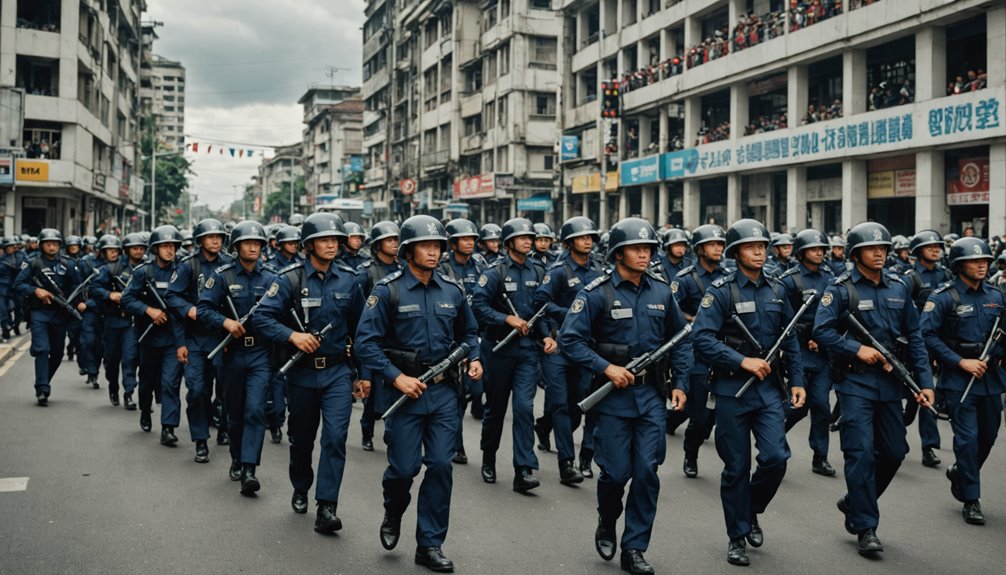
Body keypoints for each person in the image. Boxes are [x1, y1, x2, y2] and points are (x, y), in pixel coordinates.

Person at [559, 217, 692, 575]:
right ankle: (607, 517)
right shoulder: (595, 293)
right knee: (615, 475)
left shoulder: (662, 292)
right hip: (612, 398)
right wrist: (606, 368)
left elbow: (680, 341)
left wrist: (680, 383)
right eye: (637, 248)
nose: (645, 255)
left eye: (649, 249)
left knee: (647, 472)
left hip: (650, 394)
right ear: (618, 254)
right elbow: (570, 341)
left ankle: (634, 548)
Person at [355, 215, 482, 573]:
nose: (433, 251)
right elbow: (366, 344)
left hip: (443, 393)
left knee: (441, 465)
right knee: (403, 469)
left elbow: (470, 334)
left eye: (437, 245)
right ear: (408, 250)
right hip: (405, 394)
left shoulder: (452, 291)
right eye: (425, 245)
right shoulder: (388, 290)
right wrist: (396, 378)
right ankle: (393, 511)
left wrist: (474, 358)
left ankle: (429, 544)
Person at [813, 221, 935, 557]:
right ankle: (866, 526)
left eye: (883, 248)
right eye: (871, 248)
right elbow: (821, 330)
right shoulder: (840, 289)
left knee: (895, 452)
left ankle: (855, 500)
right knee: (861, 453)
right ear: (855, 254)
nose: (879, 253)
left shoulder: (898, 287)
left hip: (891, 383)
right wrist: (857, 349)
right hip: (854, 382)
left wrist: (925, 383)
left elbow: (916, 338)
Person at [691, 218, 806, 566]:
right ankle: (736, 536)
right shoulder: (721, 291)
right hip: (731, 390)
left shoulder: (777, 289)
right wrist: (742, 361)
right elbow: (702, 339)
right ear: (736, 252)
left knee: (776, 458)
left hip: (769, 388)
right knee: (736, 467)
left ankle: (751, 507)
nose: (759, 251)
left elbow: (791, 338)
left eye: (763, 246)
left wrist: (798, 380)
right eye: (751, 246)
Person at [252, 212, 368, 533]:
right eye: (325, 240)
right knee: (301, 439)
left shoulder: (349, 279)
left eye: (336, 240)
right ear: (309, 244)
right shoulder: (289, 279)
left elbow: (362, 330)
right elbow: (262, 317)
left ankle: (327, 506)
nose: (332, 245)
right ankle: (301, 485)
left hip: (337, 373)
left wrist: (363, 373)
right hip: (300, 374)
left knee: (335, 438)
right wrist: (293, 336)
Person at [920, 237, 1004, 525]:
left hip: (990, 379)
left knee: (988, 437)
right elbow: (927, 336)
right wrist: (959, 361)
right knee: (967, 440)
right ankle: (971, 498)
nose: (982, 265)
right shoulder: (943, 297)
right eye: (974, 261)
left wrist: (996, 355)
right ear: (958, 265)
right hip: (958, 381)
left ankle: (961, 472)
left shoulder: (997, 294)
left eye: (985, 261)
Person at [473, 217, 552, 492]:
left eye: (530, 236)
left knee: (524, 409)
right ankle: (489, 457)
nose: (528, 240)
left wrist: (546, 336)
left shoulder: (539, 271)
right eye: (522, 237)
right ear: (509, 242)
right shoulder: (494, 272)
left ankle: (523, 469)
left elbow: (541, 310)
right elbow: (478, 306)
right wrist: (506, 319)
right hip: (498, 350)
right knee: (495, 409)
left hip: (528, 352)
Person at [198, 221, 276, 491]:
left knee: (255, 409)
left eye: (258, 243)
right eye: (248, 242)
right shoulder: (222, 276)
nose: (254, 247)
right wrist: (226, 323)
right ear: (237, 246)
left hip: (260, 353)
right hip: (231, 352)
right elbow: (203, 309)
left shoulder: (272, 277)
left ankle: (249, 468)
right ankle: (236, 457)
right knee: (234, 411)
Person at [534, 216, 605, 483]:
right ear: (568, 242)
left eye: (590, 237)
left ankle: (544, 427)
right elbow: (541, 304)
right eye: (581, 237)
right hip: (559, 346)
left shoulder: (599, 269)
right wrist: (572, 315)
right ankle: (567, 463)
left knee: (580, 405)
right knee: (561, 405)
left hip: (587, 348)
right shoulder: (558, 271)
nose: (587, 240)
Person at [166, 218, 234, 458]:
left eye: (219, 236)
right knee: (197, 390)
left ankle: (224, 426)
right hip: (196, 339)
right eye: (210, 236)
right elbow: (171, 297)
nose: (215, 240)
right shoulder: (189, 266)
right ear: (200, 240)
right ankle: (201, 439)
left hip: (224, 339)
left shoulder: (230, 264)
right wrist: (189, 310)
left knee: (226, 391)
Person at [668, 224, 728, 477]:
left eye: (721, 244)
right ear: (700, 249)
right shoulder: (685, 279)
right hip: (697, 354)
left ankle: (674, 422)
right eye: (713, 244)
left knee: (715, 415)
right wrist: (691, 319)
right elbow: (670, 311)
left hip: (724, 353)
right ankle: (690, 454)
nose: (718, 248)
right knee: (700, 414)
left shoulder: (727, 277)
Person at [780, 229, 837, 476]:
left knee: (822, 407)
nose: (819, 253)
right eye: (814, 249)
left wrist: (822, 338)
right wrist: (807, 337)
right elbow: (783, 320)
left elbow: (837, 314)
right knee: (797, 407)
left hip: (823, 353)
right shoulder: (790, 280)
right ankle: (774, 438)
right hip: (799, 352)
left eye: (822, 249)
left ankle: (820, 456)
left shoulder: (830, 278)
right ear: (802, 252)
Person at [121, 225, 186, 437]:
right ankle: (145, 411)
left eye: (173, 246)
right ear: (155, 249)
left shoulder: (182, 271)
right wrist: (149, 310)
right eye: (165, 246)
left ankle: (168, 427)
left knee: (170, 382)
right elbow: (127, 299)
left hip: (174, 337)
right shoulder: (143, 272)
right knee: (147, 380)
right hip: (148, 335)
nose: (170, 250)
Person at [14, 228, 83, 405]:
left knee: (58, 354)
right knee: (43, 349)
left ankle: (44, 381)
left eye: (55, 244)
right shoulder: (32, 263)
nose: (51, 247)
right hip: (39, 313)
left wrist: (78, 304)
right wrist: (35, 290)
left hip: (60, 315)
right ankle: (42, 388)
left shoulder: (68, 265)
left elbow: (77, 288)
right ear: (41, 245)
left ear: (60, 246)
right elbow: (18, 285)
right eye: (48, 244)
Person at [903, 229, 953, 468]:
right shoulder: (911, 278)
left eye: (938, 246)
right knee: (916, 394)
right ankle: (900, 424)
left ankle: (929, 447)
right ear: (918, 251)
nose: (936, 249)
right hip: (917, 343)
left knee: (928, 392)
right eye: (930, 246)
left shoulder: (947, 275)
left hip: (941, 342)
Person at [438, 218, 485, 461]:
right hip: (452, 339)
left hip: (476, 335)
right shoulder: (443, 268)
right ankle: (456, 445)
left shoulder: (480, 266)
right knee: (456, 395)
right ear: (453, 243)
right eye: (464, 239)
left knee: (476, 389)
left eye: (472, 239)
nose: (469, 243)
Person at [358, 220, 404, 452]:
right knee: (372, 389)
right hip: (373, 337)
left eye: (397, 239)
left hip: (396, 339)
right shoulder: (366, 273)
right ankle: (367, 430)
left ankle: (391, 433)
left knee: (392, 389)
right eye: (389, 240)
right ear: (377, 245)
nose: (394, 244)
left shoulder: (404, 268)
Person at [90, 234, 139, 408]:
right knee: (111, 359)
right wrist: (110, 295)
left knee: (130, 357)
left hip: (132, 321)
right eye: (134, 248)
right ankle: (113, 386)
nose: (138, 251)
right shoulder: (112, 269)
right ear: (126, 250)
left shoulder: (146, 267)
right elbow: (94, 288)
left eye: (141, 247)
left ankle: (129, 393)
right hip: (112, 319)